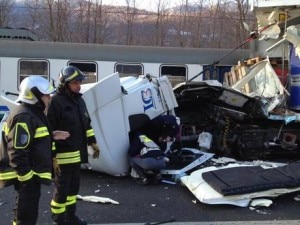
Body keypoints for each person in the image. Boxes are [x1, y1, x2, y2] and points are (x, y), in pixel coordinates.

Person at [0, 76, 70, 225]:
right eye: (46, 95)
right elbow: (17, 151)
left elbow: (32, 138)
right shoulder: (24, 116)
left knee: (28, 214)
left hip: (31, 175)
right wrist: (26, 177)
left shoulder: (33, 112)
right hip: (27, 177)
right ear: (34, 95)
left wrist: (51, 136)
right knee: (25, 217)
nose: (49, 98)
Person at [47, 66, 100, 225]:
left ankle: (70, 217)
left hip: (77, 154)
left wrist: (93, 141)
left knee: (72, 190)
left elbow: (87, 124)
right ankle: (59, 219)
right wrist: (53, 156)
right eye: (75, 83)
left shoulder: (79, 100)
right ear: (64, 83)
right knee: (61, 191)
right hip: (62, 157)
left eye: (79, 82)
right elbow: (49, 131)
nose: (79, 86)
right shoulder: (55, 102)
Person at [128, 115, 180, 185]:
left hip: (148, 162)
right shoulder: (154, 141)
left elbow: (131, 153)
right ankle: (158, 175)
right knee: (155, 156)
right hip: (162, 162)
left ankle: (143, 178)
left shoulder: (139, 137)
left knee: (131, 158)